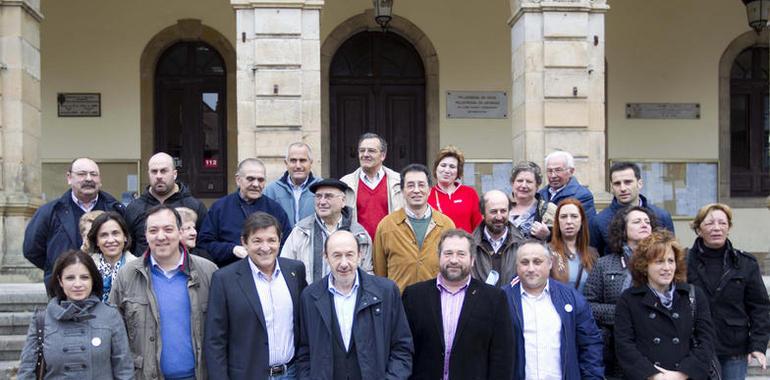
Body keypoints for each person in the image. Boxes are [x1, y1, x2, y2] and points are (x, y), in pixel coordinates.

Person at [110, 205, 218, 380]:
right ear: (145, 235)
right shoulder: (127, 276)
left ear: (180, 232)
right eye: (153, 230)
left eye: (168, 229)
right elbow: (114, 334)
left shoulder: (208, 272)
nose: (161, 236)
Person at [296, 230, 413, 379]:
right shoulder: (310, 297)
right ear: (325, 257)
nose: (344, 263)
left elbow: (402, 348)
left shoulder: (386, 292)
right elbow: (304, 353)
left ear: (360, 255)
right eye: (337, 255)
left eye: (349, 255)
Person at [205, 212, 307, 379]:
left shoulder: (295, 271)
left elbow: (304, 325)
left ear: (280, 240)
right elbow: (215, 340)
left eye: (271, 240)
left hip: (292, 373)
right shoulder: (225, 279)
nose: (265, 248)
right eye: (257, 241)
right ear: (244, 242)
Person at [402, 229, 514, 380]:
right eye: (448, 253)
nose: (454, 260)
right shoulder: (414, 296)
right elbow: (403, 349)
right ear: (439, 257)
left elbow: (502, 356)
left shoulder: (494, 298)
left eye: (461, 254)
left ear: (472, 259)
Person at [615, 230, 717, 380]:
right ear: (644, 265)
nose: (667, 268)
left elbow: (706, 341)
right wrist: (655, 376)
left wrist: (681, 374)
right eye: (659, 261)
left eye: (671, 261)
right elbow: (624, 345)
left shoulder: (693, 295)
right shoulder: (629, 299)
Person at [17, 249, 133, 379]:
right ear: (60, 281)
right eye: (70, 278)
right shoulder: (42, 319)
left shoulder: (110, 315)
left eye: (84, 277)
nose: (78, 284)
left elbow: (124, 370)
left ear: (93, 280)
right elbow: (26, 371)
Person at [686, 203, 770, 379]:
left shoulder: (746, 263)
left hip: (733, 348)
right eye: (709, 223)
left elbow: (760, 307)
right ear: (698, 229)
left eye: (722, 223)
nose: (716, 228)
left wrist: (758, 345)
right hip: (694, 346)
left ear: (729, 228)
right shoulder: (683, 262)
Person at [504, 240, 604, 379]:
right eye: (525, 262)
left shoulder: (572, 299)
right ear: (517, 265)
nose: (531, 268)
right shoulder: (502, 300)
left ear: (550, 263)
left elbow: (590, 346)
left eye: (537, 262)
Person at [24, 158, 126, 288]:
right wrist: (56, 268)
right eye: (82, 174)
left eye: (93, 174)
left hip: (108, 290)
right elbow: (31, 249)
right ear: (69, 178)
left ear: (99, 180)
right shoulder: (50, 212)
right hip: (64, 292)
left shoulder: (116, 210)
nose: (88, 179)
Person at [583, 206, 659, 378]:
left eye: (647, 222)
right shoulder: (604, 264)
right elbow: (587, 306)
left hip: (654, 347)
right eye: (637, 221)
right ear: (623, 230)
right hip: (615, 351)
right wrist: (623, 313)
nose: (644, 225)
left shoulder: (662, 263)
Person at [373, 164, 455, 292]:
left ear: (429, 189)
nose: (416, 190)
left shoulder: (446, 225)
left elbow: (451, 266)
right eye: (410, 185)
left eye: (421, 185)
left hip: (436, 302)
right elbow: (380, 272)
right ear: (402, 190)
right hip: (399, 304)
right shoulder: (386, 226)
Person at [199, 158, 291, 267]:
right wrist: (232, 249)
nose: (256, 184)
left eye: (260, 180)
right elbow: (204, 244)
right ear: (238, 180)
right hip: (230, 273)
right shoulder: (220, 208)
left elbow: (287, 245)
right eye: (250, 179)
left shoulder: (275, 209)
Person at [281, 178, 372, 284]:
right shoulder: (301, 231)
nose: (322, 202)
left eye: (328, 196)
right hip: (310, 298)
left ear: (343, 201)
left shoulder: (359, 234)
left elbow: (367, 272)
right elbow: (286, 268)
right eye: (318, 196)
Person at [125, 152, 208, 255]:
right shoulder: (134, 208)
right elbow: (127, 247)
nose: (159, 176)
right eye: (154, 172)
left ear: (174, 174)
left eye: (164, 171)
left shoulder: (194, 206)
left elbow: (204, 245)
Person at [590, 161, 674, 256]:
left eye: (628, 182)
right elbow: (595, 260)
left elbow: (670, 253)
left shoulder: (662, 216)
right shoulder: (599, 221)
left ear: (640, 183)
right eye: (617, 184)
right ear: (612, 187)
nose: (623, 188)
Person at [340, 133, 403, 239]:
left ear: (383, 155)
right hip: (358, 248)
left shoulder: (399, 182)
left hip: (390, 247)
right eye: (362, 150)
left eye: (371, 151)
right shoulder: (345, 183)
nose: (365, 154)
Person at [471, 190, 525, 287]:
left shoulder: (522, 244)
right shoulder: (470, 246)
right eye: (493, 211)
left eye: (503, 211)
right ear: (482, 213)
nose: (499, 217)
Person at [264, 142, 323, 228]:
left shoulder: (322, 187)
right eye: (293, 161)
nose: (298, 165)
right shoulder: (271, 190)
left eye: (302, 160)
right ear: (286, 163)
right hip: (283, 241)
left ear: (311, 162)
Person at [427, 146, 482, 233]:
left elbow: (478, 226)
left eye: (452, 167)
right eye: (443, 165)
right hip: (438, 246)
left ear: (458, 171)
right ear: (436, 168)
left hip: (466, 245)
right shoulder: (427, 194)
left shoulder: (469, 193)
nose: (447, 170)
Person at [86, 212, 137, 303]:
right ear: (97, 241)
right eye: (104, 235)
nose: (110, 240)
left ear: (125, 237)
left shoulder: (138, 268)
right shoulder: (86, 267)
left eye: (115, 233)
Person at [550, 199, 597, 291]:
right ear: (557, 222)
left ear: (581, 221)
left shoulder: (593, 254)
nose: (569, 221)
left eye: (574, 216)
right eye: (563, 217)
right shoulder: (547, 251)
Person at [537, 151, 596, 222]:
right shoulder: (540, 194)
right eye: (549, 171)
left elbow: (586, 227)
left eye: (558, 170)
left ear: (571, 171)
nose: (553, 175)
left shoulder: (583, 195)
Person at [509, 161, 555, 240]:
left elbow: (564, 241)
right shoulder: (503, 208)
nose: (523, 185)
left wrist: (548, 236)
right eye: (520, 181)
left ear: (537, 186)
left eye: (529, 182)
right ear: (512, 183)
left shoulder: (549, 209)